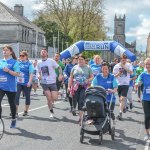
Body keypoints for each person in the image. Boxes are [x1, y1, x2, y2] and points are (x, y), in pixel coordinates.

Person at [38, 48, 63, 118]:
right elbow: (38, 72)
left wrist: (60, 75)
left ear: (47, 54)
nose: (43, 53)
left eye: (44, 52)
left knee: (54, 98)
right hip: (44, 82)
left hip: (52, 82)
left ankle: (58, 93)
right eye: (42, 52)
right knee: (49, 98)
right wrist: (39, 75)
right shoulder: (39, 63)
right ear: (40, 53)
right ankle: (51, 112)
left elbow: (59, 68)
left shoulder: (51, 61)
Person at [68, 55, 93, 125]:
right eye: (79, 59)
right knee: (75, 100)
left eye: (82, 59)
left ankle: (81, 119)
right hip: (75, 86)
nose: (80, 61)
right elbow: (71, 77)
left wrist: (87, 80)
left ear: (84, 60)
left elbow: (92, 77)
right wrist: (69, 87)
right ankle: (77, 112)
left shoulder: (88, 67)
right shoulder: (74, 67)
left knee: (81, 101)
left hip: (84, 87)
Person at [0, 45, 20, 128]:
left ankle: (13, 119)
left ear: (11, 52)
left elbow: (17, 74)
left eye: (6, 50)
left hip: (11, 87)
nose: (4, 51)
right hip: (1, 86)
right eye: (3, 50)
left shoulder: (15, 62)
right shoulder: (0, 61)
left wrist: (8, 71)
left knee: (12, 104)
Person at [113, 54, 133, 120]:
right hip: (118, 84)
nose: (123, 61)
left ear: (126, 59)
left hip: (126, 84)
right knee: (120, 99)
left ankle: (120, 113)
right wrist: (119, 73)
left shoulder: (129, 65)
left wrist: (124, 67)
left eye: (124, 60)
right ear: (120, 59)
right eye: (122, 60)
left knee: (122, 98)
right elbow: (114, 76)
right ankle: (123, 107)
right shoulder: (116, 66)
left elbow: (131, 73)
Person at [15, 51, 34, 116]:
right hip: (19, 83)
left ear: (26, 56)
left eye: (23, 56)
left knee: (27, 97)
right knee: (16, 96)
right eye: (20, 56)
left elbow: (31, 74)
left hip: (26, 83)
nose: (21, 57)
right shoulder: (18, 63)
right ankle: (16, 112)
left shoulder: (29, 64)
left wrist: (29, 82)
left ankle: (26, 111)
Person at [135, 58, 150, 141]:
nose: (148, 66)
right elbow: (139, 81)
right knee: (147, 116)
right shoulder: (143, 74)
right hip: (146, 98)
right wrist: (137, 83)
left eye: (149, 64)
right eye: (146, 64)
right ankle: (148, 134)